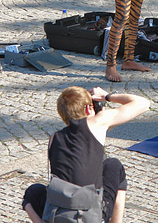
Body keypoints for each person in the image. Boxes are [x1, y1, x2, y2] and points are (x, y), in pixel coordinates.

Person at [22, 85, 150, 223]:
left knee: (33, 192)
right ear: (89, 108)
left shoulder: (54, 137)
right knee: (114, 166)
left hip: (58, 213)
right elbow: (143, 104)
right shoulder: (97, 123)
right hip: (90, 215)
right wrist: (106, 96)